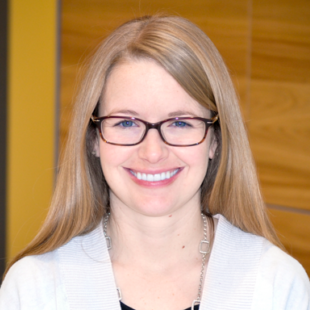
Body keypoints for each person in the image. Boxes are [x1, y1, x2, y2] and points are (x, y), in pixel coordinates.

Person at [0, 15, 309, 310]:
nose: (152, 152)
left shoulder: (279, 288)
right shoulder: (31, 290)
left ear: (215, 139)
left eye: (180, 123)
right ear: (93, 139)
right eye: (125, 123)